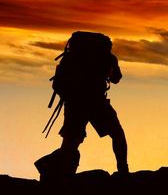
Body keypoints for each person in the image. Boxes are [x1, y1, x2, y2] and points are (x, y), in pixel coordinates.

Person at [35, 31, 128, 181]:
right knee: (117, 134)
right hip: (97, 103)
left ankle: (56, 172)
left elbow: (57, 84)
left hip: (74, 105)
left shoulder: (72, 57)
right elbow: (117, 79)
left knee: (70, 144)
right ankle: (123, 170)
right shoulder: (107, 57)